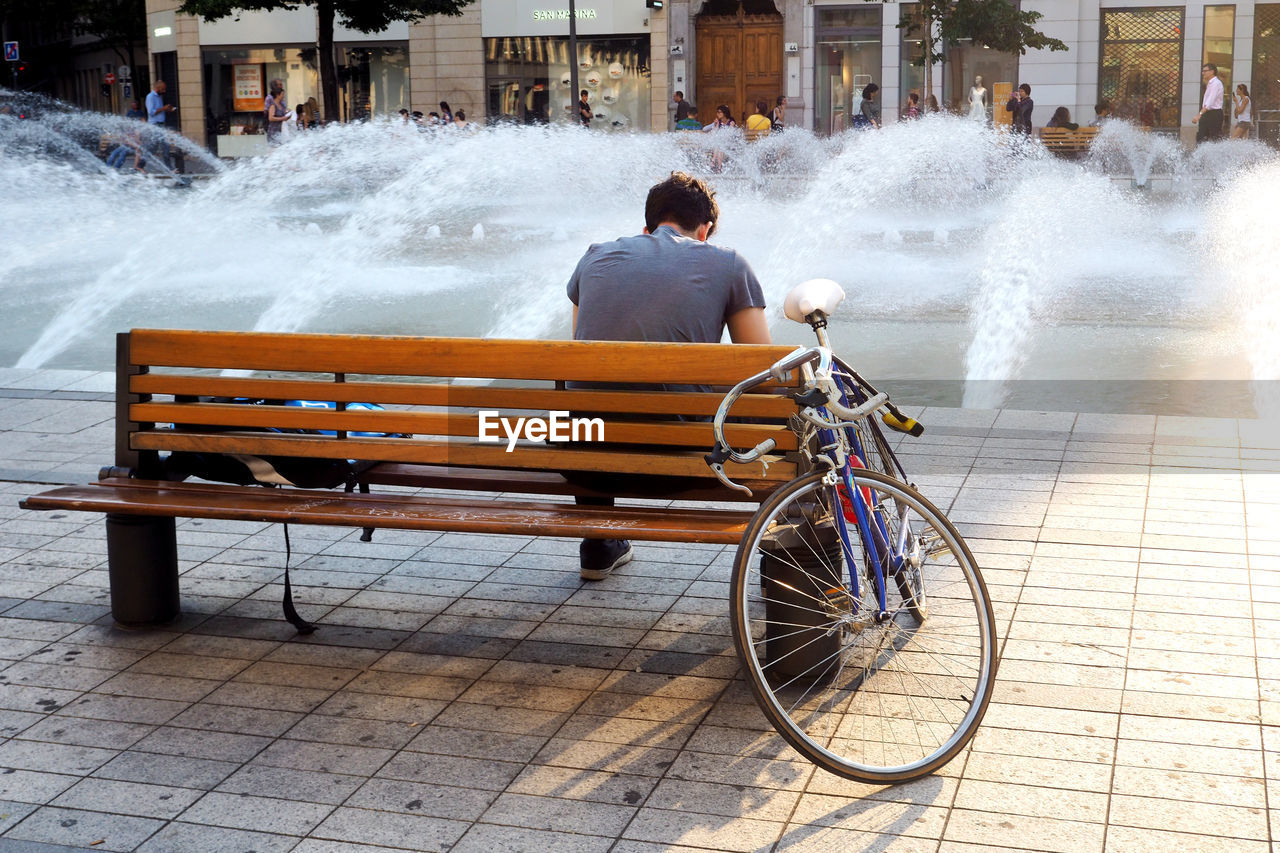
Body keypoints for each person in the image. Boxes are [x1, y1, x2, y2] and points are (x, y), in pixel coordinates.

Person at [566, 171, 771, 579]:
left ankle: (599, 540)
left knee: (592, 396)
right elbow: (761, 368)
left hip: (586, 460)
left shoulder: (594, 255)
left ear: (647, 228)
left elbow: (581, 354)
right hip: (685, 460)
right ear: (705, 230)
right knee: (780, 413)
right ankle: (785, 555)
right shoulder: (727, 262)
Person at [144, 80, 175, 168]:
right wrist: (163, 108)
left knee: (153, 148)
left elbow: (160, 110)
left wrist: (167, 109)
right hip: (155, 125)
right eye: (163, 89)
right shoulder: (150, 97)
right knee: (164, 147)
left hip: (161, 125)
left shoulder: (159, 97)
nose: (164, 91)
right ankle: (170, 168)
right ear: (158, 88)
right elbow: (151, 112)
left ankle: (140, 165)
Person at [1193, 63, 1224, 144]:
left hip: (1214, 114)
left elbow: (1210, 102)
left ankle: (1219, 155)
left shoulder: (1216, 83)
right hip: (1207, 113)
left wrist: (1199, 114)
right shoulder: (1210, 83)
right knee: (1201, 137)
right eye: (1202, 71)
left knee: (1215, 138)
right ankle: (1201, 155)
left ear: (1212, 72)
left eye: (1205, 71)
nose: (1203, 73)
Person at [264, 79, 290, 145]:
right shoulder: (270, 99)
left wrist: (287, 113)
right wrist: (282, 118)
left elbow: (284, 110)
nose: (281, 86)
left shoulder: (282, 101)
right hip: (273, 130)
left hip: (281, 130)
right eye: (280, 84)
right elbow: (268, 114)